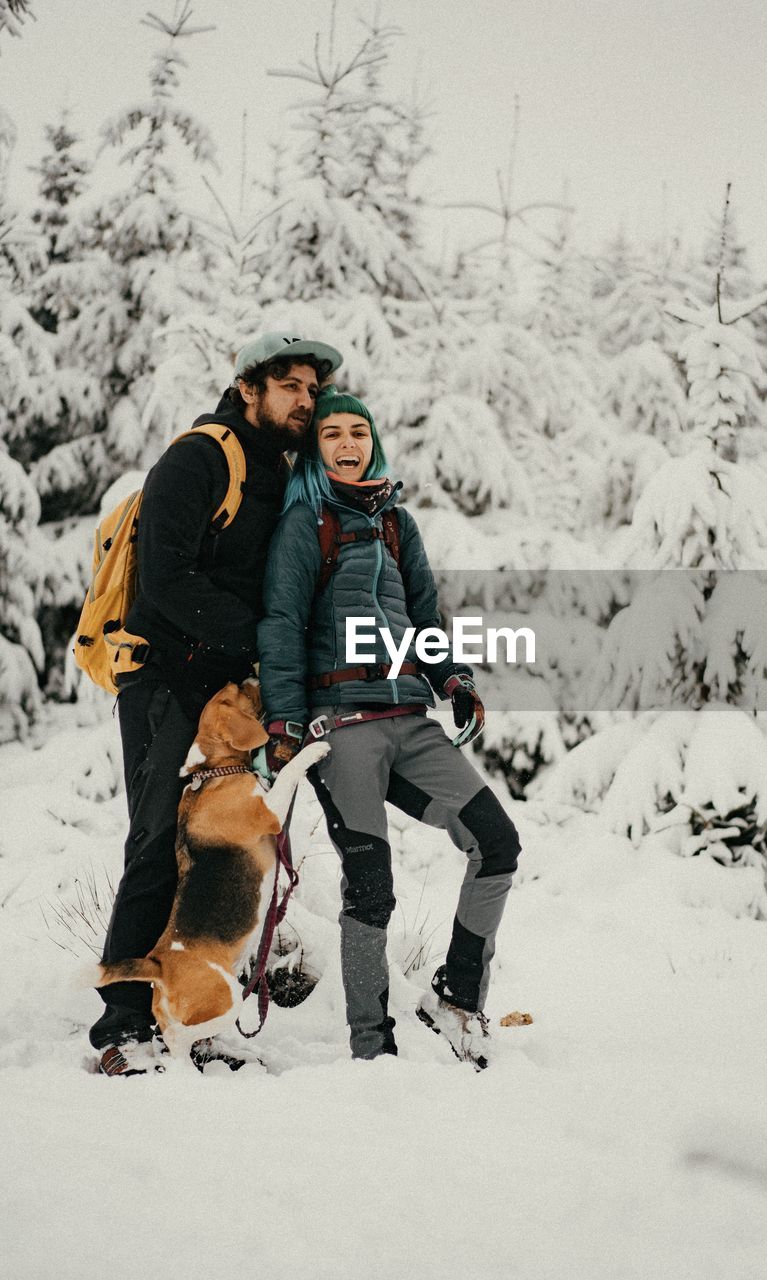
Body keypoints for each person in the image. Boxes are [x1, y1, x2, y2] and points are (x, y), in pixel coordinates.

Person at [91, 331, 343, 1077]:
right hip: (166, 678)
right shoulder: (200, 458)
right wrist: (266, 638)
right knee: (158, 841)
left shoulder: (286, 474)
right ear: (248, 389)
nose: (303, 399)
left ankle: (191, 1015)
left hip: (228, 690)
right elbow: (165, 583)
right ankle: (123, 1025)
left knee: (222, 856)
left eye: (310, 389)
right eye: (288, 385)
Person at [258, 387, 521, 1067]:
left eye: (358, 433)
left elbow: (425, 618)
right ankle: (371, 1049)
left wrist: (453, 679)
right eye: (331, 435)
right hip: (341, 728)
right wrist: (285, 722)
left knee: (495, 843)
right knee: (371, 888)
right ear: (314, 450)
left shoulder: (398, 523)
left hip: (409, 717)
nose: (348, 445)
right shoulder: (303, 524)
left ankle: (458, 999)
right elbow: (282, 625)